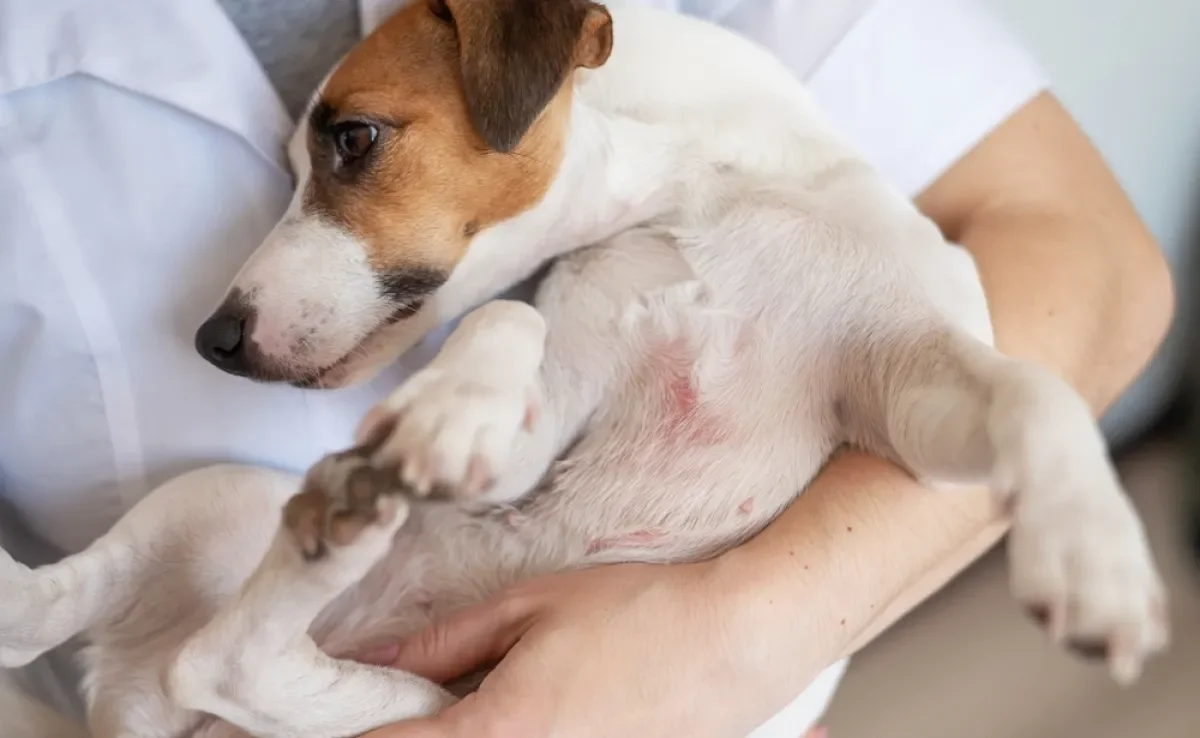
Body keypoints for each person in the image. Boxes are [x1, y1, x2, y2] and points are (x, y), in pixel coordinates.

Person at [0, 0, 1173, 737]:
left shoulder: (815, 225)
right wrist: (493, 354)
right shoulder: (592, 272)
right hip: (236, 669)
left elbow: (1085, 260)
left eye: (351, 153)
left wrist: (732, 639)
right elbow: (505, 458)